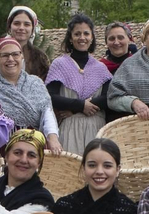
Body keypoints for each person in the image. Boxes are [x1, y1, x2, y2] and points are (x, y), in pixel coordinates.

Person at [45, 15, 112, 154]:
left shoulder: (101, 68)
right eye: (77, 34)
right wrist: (81, 105)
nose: (82, 37)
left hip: (96, 129)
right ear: (70, 38)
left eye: (86, 33)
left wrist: (77, 108)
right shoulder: (59, 65)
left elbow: (109, 97)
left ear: (92, 37)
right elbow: (50, 97)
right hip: (70, 129)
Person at [0, 36, 62, 155]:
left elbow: (47, 113)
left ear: (22, 57)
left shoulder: (36, 83)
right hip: (2, 151)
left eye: (15, 54)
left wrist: (53, 138)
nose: (11, 59)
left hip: (34, 149)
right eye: (4, 55)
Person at [0, 6, 51, 79]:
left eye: (26, 24)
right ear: (10, 26)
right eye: (17, 23)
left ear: (32, 28)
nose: (21, 28)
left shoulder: (41, 57)